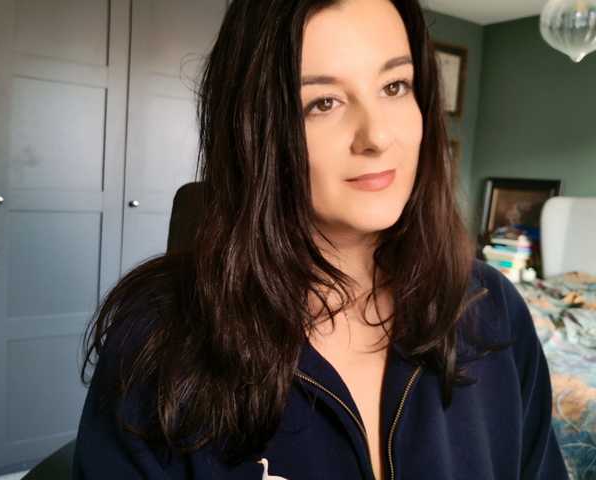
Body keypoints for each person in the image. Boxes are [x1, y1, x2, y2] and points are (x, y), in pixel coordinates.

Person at [72, 0, 569, 478]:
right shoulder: (158, 336)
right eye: (323, 103)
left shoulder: (491, 307)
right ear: (255, 129)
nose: (376, 137)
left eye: (395, 86)